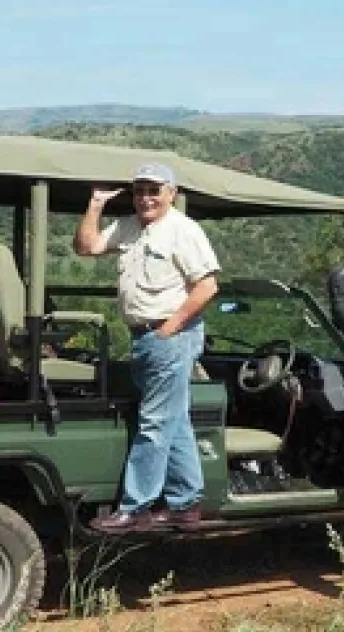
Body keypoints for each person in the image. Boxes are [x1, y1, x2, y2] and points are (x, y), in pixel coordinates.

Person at [72, 162, 220, 531]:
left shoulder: (183, 231)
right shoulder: (128, 227)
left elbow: (207, 286)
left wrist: (170, 328)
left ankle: (135, 507)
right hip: (145, 337)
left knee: (154, 422)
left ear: (172, 193)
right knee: (175, 420)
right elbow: (85, 247)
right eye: (139, 191)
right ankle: (186, 504)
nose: (146, 198)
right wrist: (95, 204)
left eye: (154, 190)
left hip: (169, 336)